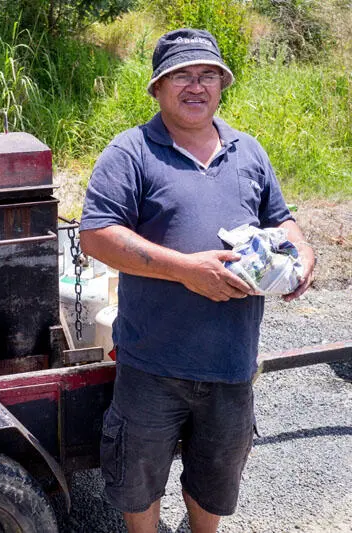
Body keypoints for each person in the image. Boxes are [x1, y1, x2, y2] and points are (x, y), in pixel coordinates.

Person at [78, 28, 316, 533]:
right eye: (181, 75)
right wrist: (186, 270)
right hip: (151, 363)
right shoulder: (132, 152)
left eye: (208, 74)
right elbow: (96, 237)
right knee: (137, 479)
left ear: (223, 84)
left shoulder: (248, 151)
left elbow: (282, 218)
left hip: (231, 365)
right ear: (158, 88)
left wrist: (302, 250)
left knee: (216, 477)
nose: (196, 86)